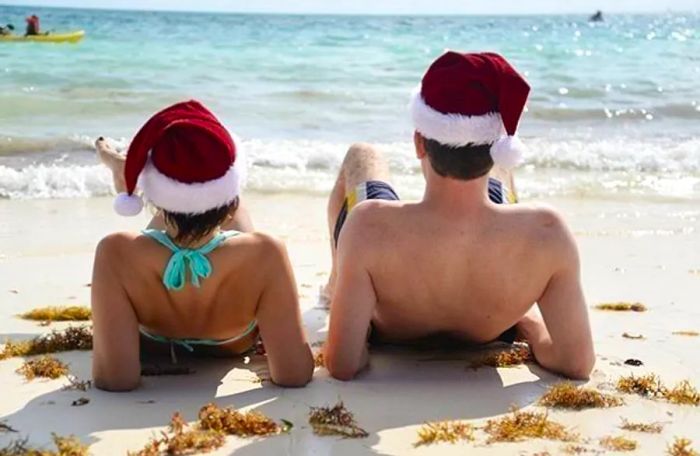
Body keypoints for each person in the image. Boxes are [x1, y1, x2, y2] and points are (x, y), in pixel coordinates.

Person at [323, 51, 595, 381]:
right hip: (492, 326)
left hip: (394, 329)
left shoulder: (367, 227)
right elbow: (576, 363)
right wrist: (532, 326)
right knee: (501, 180)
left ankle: (338, 287)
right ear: (498, 145)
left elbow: (343, 364)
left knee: (363, 154)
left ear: (419, 143)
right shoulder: (548, 232)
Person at [91, 100, 313, 391]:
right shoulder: (266, 252)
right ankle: (153, 180)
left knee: (175, 224)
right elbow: (294, 375)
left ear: (154, 199)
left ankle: (128, 178)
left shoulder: (115, 251)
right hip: (233, 344)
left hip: (155, 343)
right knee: (233, 222)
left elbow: (115, 379)